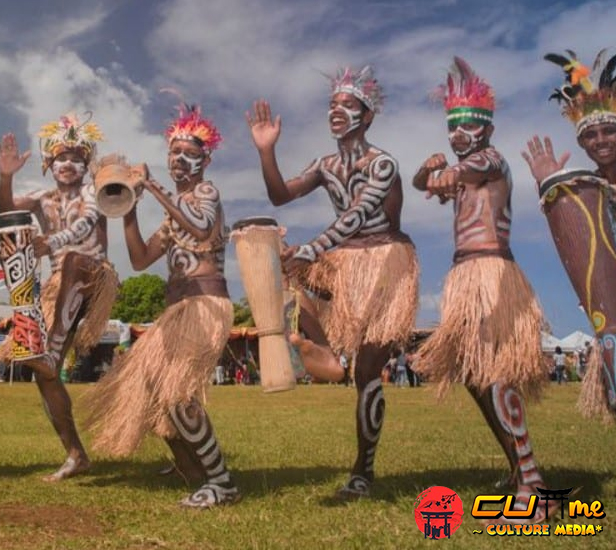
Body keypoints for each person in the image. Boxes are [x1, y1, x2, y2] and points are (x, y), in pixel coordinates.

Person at [246, 65, 419, 500]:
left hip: (384, 262)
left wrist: (313, 248)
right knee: (285, 266)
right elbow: (280, 195)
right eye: (332, 104)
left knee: (367, 371)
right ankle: (320, 349)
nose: (336, 111)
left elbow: (358, 214)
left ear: (368, 115)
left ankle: (363, 471)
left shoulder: (383, 163)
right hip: (342, 263)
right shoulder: (325, 165)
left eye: (348, 104)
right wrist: (267, 151)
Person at [412, 57, 556, 523]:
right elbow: (429, 183)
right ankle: (519, 469)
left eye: (468, 125)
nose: (457, 133)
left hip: (492, 275)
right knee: (477, 380)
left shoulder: (490, 160)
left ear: (487, 128)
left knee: (495, 375)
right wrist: (424, 170)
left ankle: (532, 482)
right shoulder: (466, 167)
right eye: (452, 126)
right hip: (466, 276)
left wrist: (439, 172)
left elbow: (452, 176)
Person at [86, 99, 239, 508]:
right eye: (175, 152)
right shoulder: (173, 214)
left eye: (190, 154)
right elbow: (139, 261)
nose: (180, 160)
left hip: (205, 305)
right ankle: (198, 476)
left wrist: (153, 188)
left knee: (178, 395)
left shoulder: (205, 192)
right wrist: (127, 206)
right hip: (176, 311)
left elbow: (203, 227)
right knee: (154, 392)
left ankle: (222, 482)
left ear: (205, 160)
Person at [0, 113, 118, 480]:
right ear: (49, 163)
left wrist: (52, 242)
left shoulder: (94, 190)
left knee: (76, 259)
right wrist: (5, 175)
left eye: (77, 159)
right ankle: (76, 454)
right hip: (58, 289)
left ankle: (49, 351)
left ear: (86, 164)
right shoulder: (41, 198)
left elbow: (87, 222)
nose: (68, 164)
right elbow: (6, 209)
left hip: (92, 276)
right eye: (61, 158)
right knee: (44, 374)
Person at [522, 49, 616, 418]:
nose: (600, 140)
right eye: (590, 134)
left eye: (609, 130)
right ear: (580, 142)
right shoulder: (586, 189)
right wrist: (550, 183)